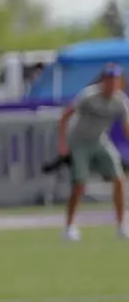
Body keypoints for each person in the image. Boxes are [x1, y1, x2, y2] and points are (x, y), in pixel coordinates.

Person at [57, 64, 129, 241]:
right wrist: (63, 144)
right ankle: (69, 227)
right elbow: (65, 115)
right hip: (79, 141)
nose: (112, 84)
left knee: (119, 179)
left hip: (99, 140)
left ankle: (121, 225)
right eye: (109, 80)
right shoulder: (88, 96)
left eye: (115, 80)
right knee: (79, 184)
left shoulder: (120, 101)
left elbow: (126, 126)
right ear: (103, 81)